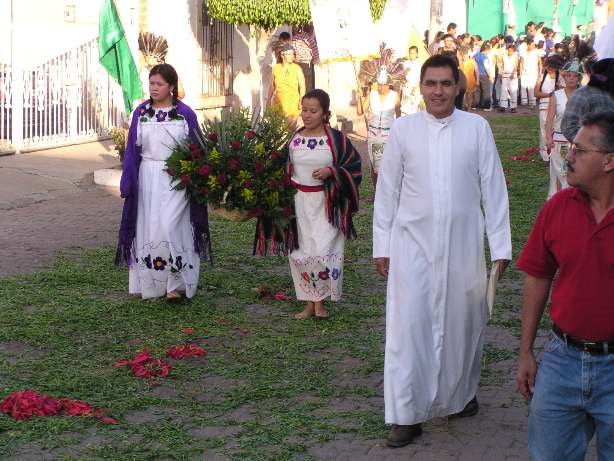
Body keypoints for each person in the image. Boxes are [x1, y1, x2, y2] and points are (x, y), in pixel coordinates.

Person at [373, 54, 512, 448]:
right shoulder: (403, 130)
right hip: (411, 247)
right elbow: (388, 192)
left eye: (446, 84)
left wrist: (500, 245)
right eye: (431, 84)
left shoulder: (477, 129)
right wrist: (381, 245)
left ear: (457, 87)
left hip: (463, 245)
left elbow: (493, 189)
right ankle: (405, 414)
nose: (438, 92)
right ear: (421, 87)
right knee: (408, 327)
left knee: (463, 323)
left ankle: (459, 396)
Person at [516, 110, 614, 461]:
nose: (567, 156)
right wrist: (526, 350)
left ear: (608, 161)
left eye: (579, 150)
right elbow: (538, 276)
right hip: (562, 360)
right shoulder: (558, 207)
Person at [116, 63, 211, 300]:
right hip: (148, 177)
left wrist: (197, 175)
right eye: (151, 83)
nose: (154, 88)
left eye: (159, 84)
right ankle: (155, 285)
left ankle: (177, 282)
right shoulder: (142, 113)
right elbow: (131, 150)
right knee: (151, 226)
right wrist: (128, 179)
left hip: (176, 178)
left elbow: (197, 148)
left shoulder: (184, 114)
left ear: (171, 86)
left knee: (171, 225)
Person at [288, 89, 362, 320]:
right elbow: (284, 167)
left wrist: (332, 171)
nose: (307, 115)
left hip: (328, 205)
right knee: (302, 253)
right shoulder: (295, 139)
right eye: (304, 110)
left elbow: (354, 167)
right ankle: (313, 304)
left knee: (322, 251)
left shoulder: (337, 140)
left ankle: (319, 300)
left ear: (325, 113)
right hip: (299, 203)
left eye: (313, 111)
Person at [545, 59, 582, 198]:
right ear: (564, 77)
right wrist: (548, 138)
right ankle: (556, 202)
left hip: (576, 143)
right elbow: (549, 120)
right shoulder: (556, 95)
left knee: (573, 173)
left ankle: (571, 202)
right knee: (558, 173)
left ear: (579, 78)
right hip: (557, 141)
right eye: (568, 75)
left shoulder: (583, 95)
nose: (571, 78)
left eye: (574, 76)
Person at [358, 69, 401, 189]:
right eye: (380, 85)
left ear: (389, 84)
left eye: (384, 85)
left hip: (389, 134)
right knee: (374, 164)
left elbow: (398, 116)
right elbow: (360, 112)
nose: (382, 88)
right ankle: (376, 191)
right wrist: (360, 98)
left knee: (388, 163)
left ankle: (388, 189)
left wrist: (398, 134)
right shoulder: (372, 94)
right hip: (373, 134)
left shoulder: (394, 96)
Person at [561, 58, 614, 143]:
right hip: (592, 152)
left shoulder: (609, 94)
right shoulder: (583, 95)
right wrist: (591, 145)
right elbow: (569, 127)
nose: (571, 78)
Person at [534, 54, 565, 161]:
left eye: (551, 67)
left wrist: (558, 89)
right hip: (544, 105)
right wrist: (550, 94)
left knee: (556, 128)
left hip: (557, 106)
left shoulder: (560, 76)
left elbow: (564, 90)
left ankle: (555, 151)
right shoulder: (542, 77)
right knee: (544, 129)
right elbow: (536, 93)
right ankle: (545, 154)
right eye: (548, 66)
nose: (549, 69)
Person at [137, 32, 185, 100]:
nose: (151, 68)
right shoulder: (143, 72)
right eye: (149, 65)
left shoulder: (169, 72)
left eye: (154, 65)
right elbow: (140, 96)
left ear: (161, 62)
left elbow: (180, 93)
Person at [268, 44, 306, 126]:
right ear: (282, 55)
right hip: (277, 103)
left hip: (292, 104)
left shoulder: (297, 68)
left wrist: (301, 101)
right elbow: (272, 86)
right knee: (276, 130)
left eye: (292, 54)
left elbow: (302, 86)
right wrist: (268, 101)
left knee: (290, 130)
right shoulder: (276, 68)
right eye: (289, 54)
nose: (291, 56)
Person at [291, 25, 319, 92]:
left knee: (297, 85)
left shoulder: (294, 38)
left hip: (296, 64)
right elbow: (316, 54)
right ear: (311, 30)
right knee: (307, 85)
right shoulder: (309, 39)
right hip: (306, 64)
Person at [400, 46, 422, 116]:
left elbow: (421, 77)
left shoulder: (420, 64)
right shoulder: (406, 63)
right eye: (410, 53)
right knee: (404, 107)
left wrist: (415, 88)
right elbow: (402, 75)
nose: (412, 55)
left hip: (415, 87)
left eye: (413, 53)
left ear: (417, 54)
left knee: (413, 108)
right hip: (406, 86)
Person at [519, 39, 540, 107]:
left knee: (531, 87)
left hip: (533, 72)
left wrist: (540, 72)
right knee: (523, 87)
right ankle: (524, 102)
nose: (533, 46)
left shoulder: (536, 52)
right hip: (524, 72)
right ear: (528, 45)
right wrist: (520, 72)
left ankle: (532, 102)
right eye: (532, 45)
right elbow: (521, 63)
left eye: (534, 45)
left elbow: (540, 63)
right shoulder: (523, 52)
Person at [498, 44, 519, 112]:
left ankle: (513, 107)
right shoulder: (504, 56)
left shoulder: (515, 56)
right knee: (504, 90)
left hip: (512, 75)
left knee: (513, 90)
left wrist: (513, 73)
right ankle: (503, 106)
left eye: (511, 51)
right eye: (509, 50)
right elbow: (501, 65)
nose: (510, 52)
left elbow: (516, 65)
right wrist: (500, 73)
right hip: (505, 74)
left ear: (513, 51)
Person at [474, 42, 493, 110]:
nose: (488, 52)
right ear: (486, 49)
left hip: (476, 75)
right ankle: (486, 106)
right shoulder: (485, 57)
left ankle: (475, 105)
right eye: (488, 50)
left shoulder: (475, 55)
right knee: (486, 91)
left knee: (477, 90)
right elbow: (486, 67)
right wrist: (490, 76)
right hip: (484, 75)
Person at [460, 45, 479, 110]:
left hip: (471, 80)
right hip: (462, 81)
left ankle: (468, 108)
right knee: (463, 95)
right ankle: (463, 107)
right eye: (463, 55)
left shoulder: (472, 61)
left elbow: (476, 71)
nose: (464, 57)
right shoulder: (461, 62)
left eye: (465, 55)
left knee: (469, 95)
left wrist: (477, 81)